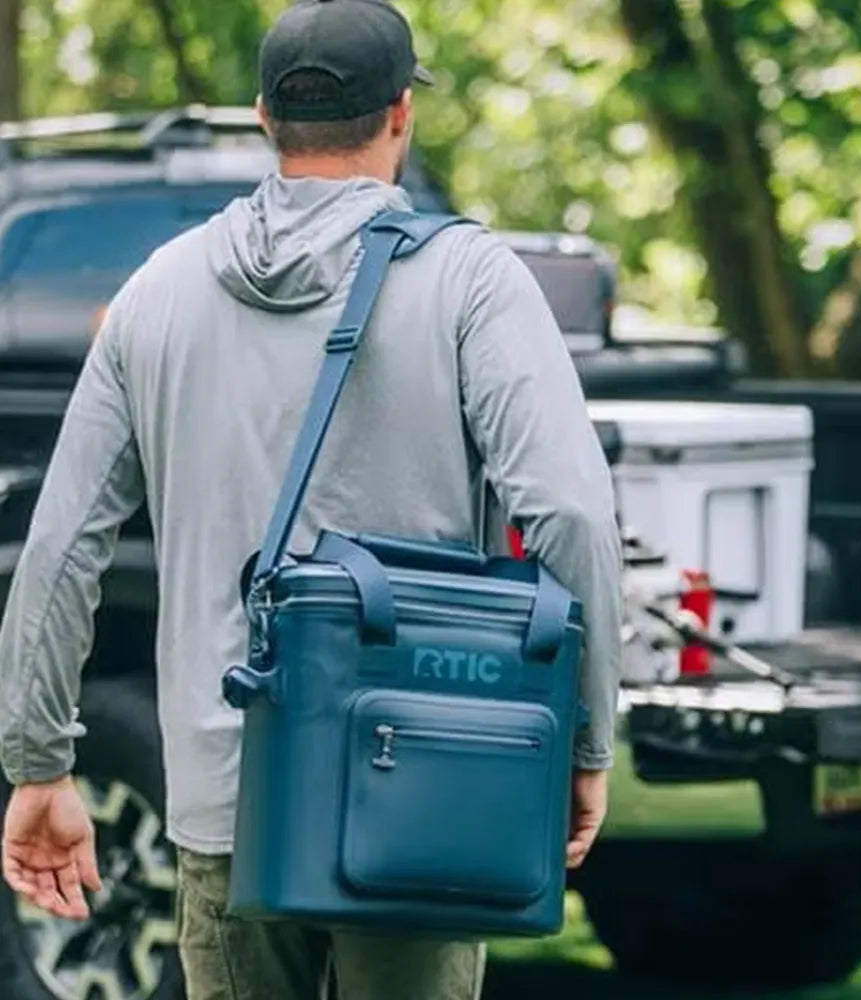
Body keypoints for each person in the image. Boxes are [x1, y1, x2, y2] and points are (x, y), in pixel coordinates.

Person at [0, 1, 623, 998]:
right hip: (420, 780)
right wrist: (584, 738)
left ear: (262, 117)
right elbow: (573, 516)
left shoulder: (157, 291)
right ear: (399, 116)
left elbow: (63, 541)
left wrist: (38, 765)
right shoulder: (470, 280)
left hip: (223, 801)